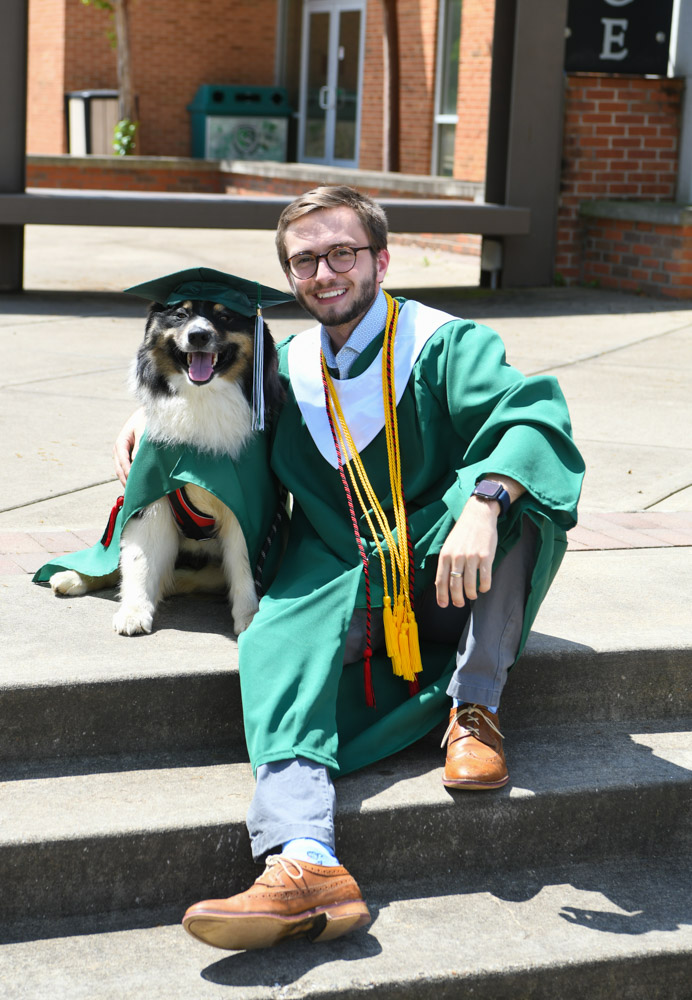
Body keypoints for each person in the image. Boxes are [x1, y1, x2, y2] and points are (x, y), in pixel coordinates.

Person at [114, 186, 584, 953]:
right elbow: (209, 403)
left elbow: (531, 414)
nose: (325, 272)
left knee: (524, 503)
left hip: (445, 563)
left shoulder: (441, 343)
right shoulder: (286, 365)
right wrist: (148, 418)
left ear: (380, 259)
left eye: (342, 253)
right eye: (306, 261)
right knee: (272, 642)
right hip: (343, 567)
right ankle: (304, 861)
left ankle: (475, 709)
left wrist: (486, 501)